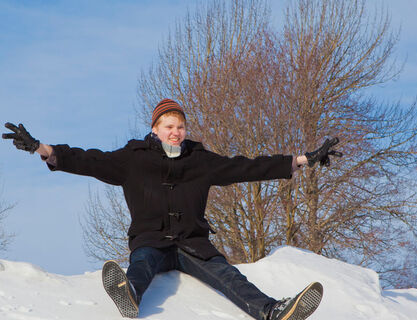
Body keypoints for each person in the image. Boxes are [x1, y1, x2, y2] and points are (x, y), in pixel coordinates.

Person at [2, 98, 342, 320]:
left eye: (180, 126)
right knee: (143, 264)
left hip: (193, 243)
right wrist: (41, 148)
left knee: (227, 275)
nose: (176, 132)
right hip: (151, 240)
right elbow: (89, 159)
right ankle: (129, 295)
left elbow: (247, 167)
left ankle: (272, 311)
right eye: (169, 126)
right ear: (155, 129)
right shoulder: (132, 160)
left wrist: (302, 160)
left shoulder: (201, 161)